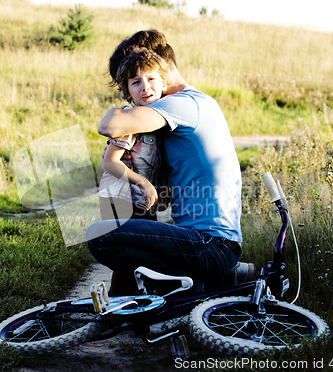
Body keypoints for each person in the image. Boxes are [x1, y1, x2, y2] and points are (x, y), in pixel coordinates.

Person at [87, 30, 251, 295]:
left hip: (210, 245)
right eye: (133, 80)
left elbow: (109, 125)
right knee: (135, 235)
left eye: (145, 74)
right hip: (214, 244)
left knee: (100, 236)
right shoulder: (196, 102)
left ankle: (194, 288)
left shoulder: (179, 104)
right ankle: (206, 283)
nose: (142, 87)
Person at [98, 48, 170, 223]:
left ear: (164, 83)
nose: (145, 86)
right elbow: (109, 162)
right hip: (120, 196)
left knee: (147, 241)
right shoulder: (129, 120)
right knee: (129, 243)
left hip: (141, 199)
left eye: (151, 78)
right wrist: (143, 183)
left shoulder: (160, 117)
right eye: (136, 82)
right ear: (128, 92)